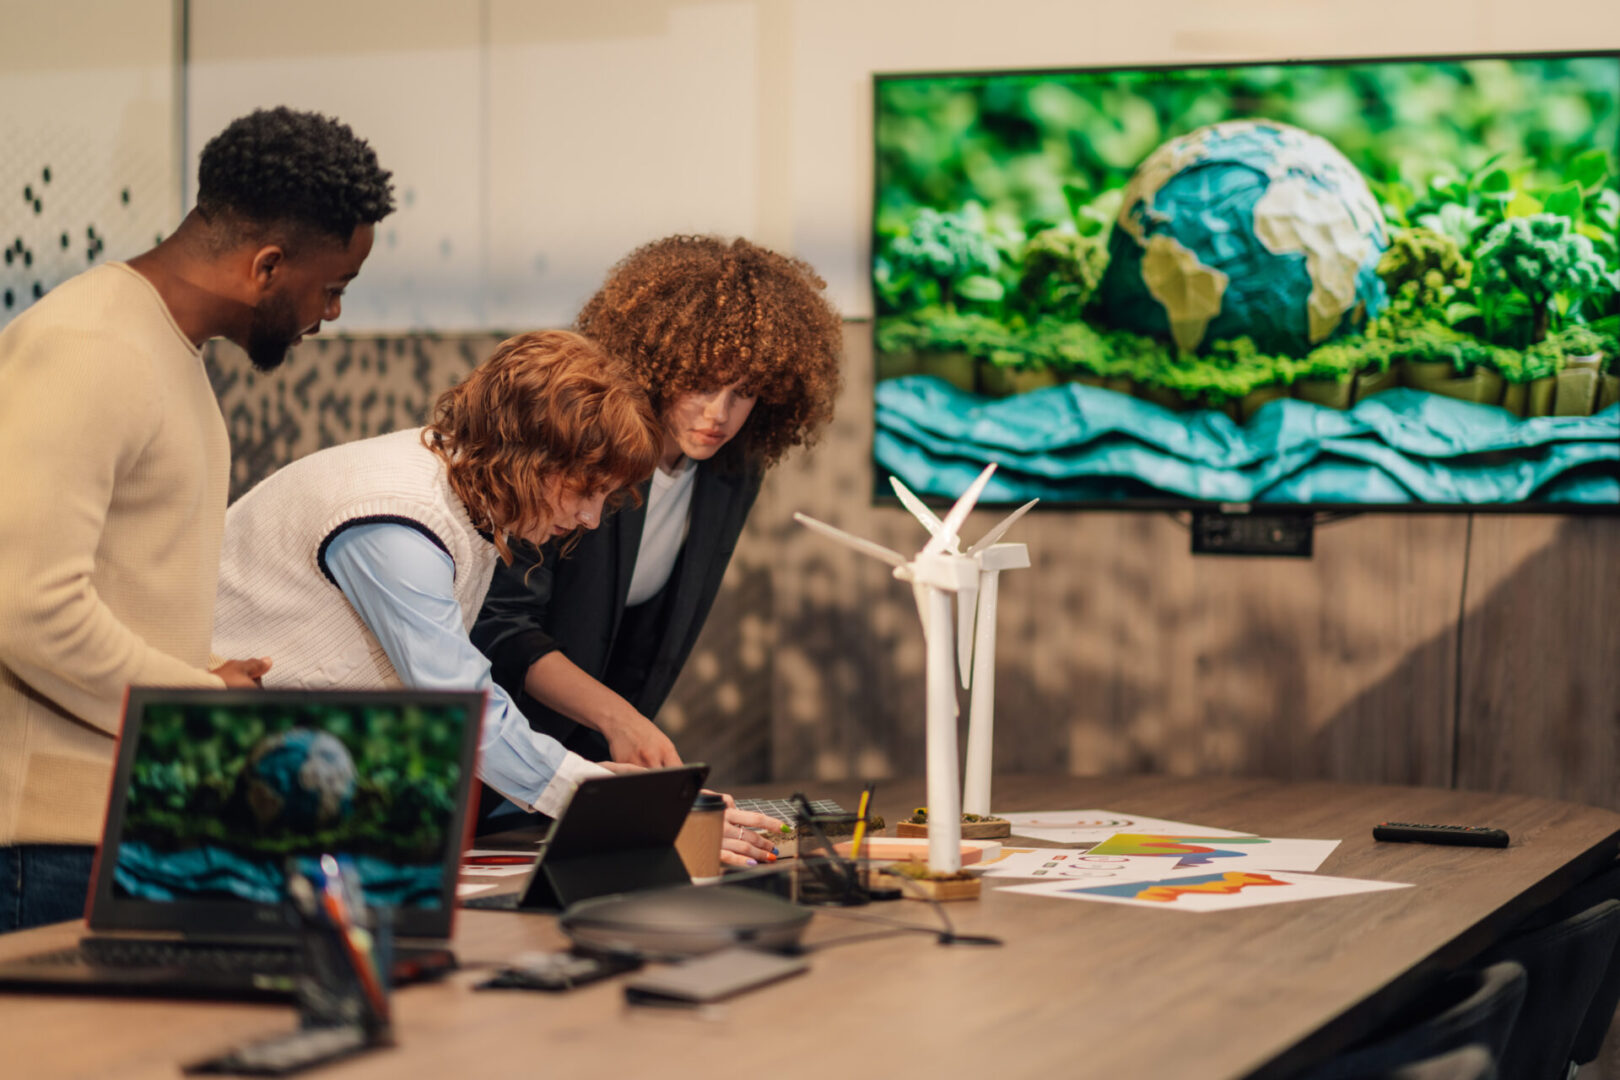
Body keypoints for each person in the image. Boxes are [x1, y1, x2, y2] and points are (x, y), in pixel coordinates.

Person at [0, 107, 393, 932]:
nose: (331, 315)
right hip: (40, 848)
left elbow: (117, 585)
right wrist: (199, 694)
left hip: (117, 823)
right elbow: (24, 603)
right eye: (331, 288)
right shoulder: (87, 345)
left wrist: (208, 667)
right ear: (268, 265)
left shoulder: (163, 351)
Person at [210, 331, 784, 862]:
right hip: (216, 774)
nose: (588, 517)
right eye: (584, 491)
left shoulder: (460, 493)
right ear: (526, 457)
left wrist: (604, 790)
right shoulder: (397, 521)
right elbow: (466, 709)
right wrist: (626, 808)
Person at [471, 235, 843, 841]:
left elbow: (645, 644)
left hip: (586, 768)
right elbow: (501, 627)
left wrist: (628, 772)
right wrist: (617, 721)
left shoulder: (732, 468)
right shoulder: (585, 447)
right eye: (701, 382)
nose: (718, 414)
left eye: (743, 391)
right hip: (495, 746)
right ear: (654, 364)